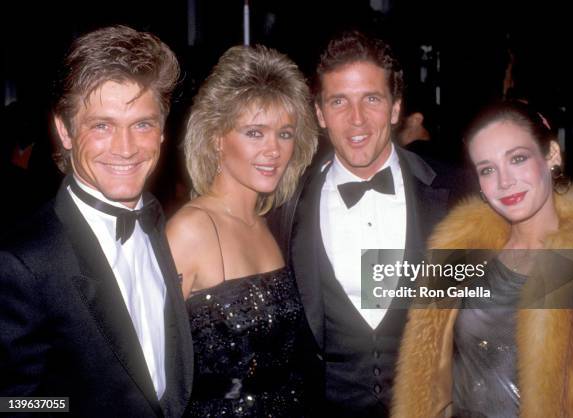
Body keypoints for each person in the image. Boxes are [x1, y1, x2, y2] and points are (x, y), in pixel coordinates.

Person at [0, 25, 193, 417]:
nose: (125, 148)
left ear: (161, 132)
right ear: (65, 131)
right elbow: (14, 403)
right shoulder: (23, 262)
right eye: (102, 125)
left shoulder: (158, 221)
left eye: (142, 124)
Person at [269, 30, 460, 417]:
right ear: (320, 113)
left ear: (395, 108)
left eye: (371, 99)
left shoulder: (456, 195)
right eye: (339, 101)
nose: (356, 119)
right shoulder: (281, 206)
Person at [392, 101, 573, 417]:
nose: (504, 181)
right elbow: (428, 368)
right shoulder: (458, 249)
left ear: (551, 155)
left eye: (517, 159)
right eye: (487, 169)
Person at [166, 45, 318, 417]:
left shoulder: (274, 224)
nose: (274, 150)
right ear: (217, 139)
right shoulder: (190, 231)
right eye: (255, 132)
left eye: (284, 134)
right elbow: (150, 374)